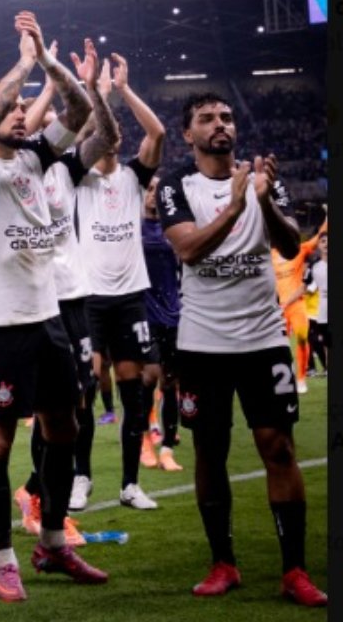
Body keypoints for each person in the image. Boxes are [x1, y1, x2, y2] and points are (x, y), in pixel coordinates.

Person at [0, 12, 108, 602]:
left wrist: (47, 61)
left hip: (49, 320)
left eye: (22, 106)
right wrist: (20, 63)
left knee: (64, 428)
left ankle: (53, 544)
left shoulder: (38, 155)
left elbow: (80, 110)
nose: (20, 112)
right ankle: (5, 560)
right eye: (11, 107)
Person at [158, 92, 327, 606]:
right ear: (188, 134)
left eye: (227, 117)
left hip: (262, 337)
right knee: (209, 450)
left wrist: (264, 198)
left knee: (279, 447)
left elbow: (289, 244)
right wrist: (235, 205)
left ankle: (294, 571)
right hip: (202, 342)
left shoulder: (262, 180)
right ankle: (223, 563)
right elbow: (188, 248)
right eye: (207, 118)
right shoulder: (176, 186)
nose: (220, 125)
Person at [13, 39, 117, 539]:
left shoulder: (66, 168)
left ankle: (49, 488)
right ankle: (38, 499)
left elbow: (104, 133)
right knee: (48, 406)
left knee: (82, 397)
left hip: (76, 295)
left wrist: (94, 89)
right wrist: (48, 78)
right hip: (37, 300)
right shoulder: (14, 168)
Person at [69, 52, 165, 511]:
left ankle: (129, 484)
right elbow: (82, 131)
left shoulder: (133, 177)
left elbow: (158, 133)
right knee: (86, 389)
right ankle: (81, 477)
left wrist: (123, 90)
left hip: (129, 299)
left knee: (134, 389)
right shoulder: (78, 178)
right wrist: (94, 91)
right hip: (89, 298)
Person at [141, 175, 183, 472]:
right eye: (149, 189)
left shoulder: (174, 228)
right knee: (149, 377)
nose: (153, 194)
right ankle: (145, 439)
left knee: (171, 382)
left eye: (158, 189)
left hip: (174, 313)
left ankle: (167, 448)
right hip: (145, 313)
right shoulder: (133, 228)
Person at [271, 216, 326, 394]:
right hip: (277, 308)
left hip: (297, 305)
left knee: (302, 339)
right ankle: (284, 377)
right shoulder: (269, 254)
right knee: (279, 346)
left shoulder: (300, 249)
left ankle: (301, 379)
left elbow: (319, 238)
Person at [307, 227, 328, 374]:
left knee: (316, 339)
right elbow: (309, 285)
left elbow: (311, 287)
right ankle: (316, 368)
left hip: (316, 308)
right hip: (313, 309)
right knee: (312, 338)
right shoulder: (314, 264)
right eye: (323, 241)